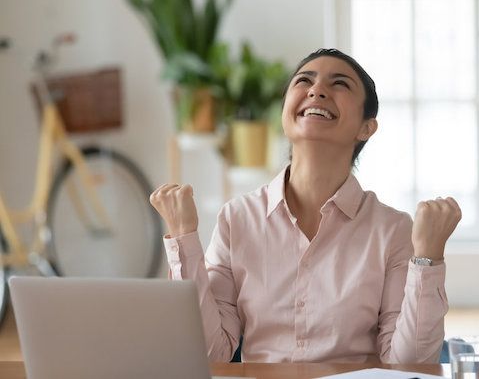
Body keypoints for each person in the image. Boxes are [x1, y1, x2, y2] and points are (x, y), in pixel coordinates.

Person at [150, 48, 462, 364]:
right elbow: (210, 354)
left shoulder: (392, 229)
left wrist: (428, 258)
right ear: (285, 112)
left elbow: (409, 364)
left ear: (366, 128)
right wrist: (183, 238)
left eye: (339, 83)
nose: (316, 90)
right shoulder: (237, 219)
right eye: (304, 81)